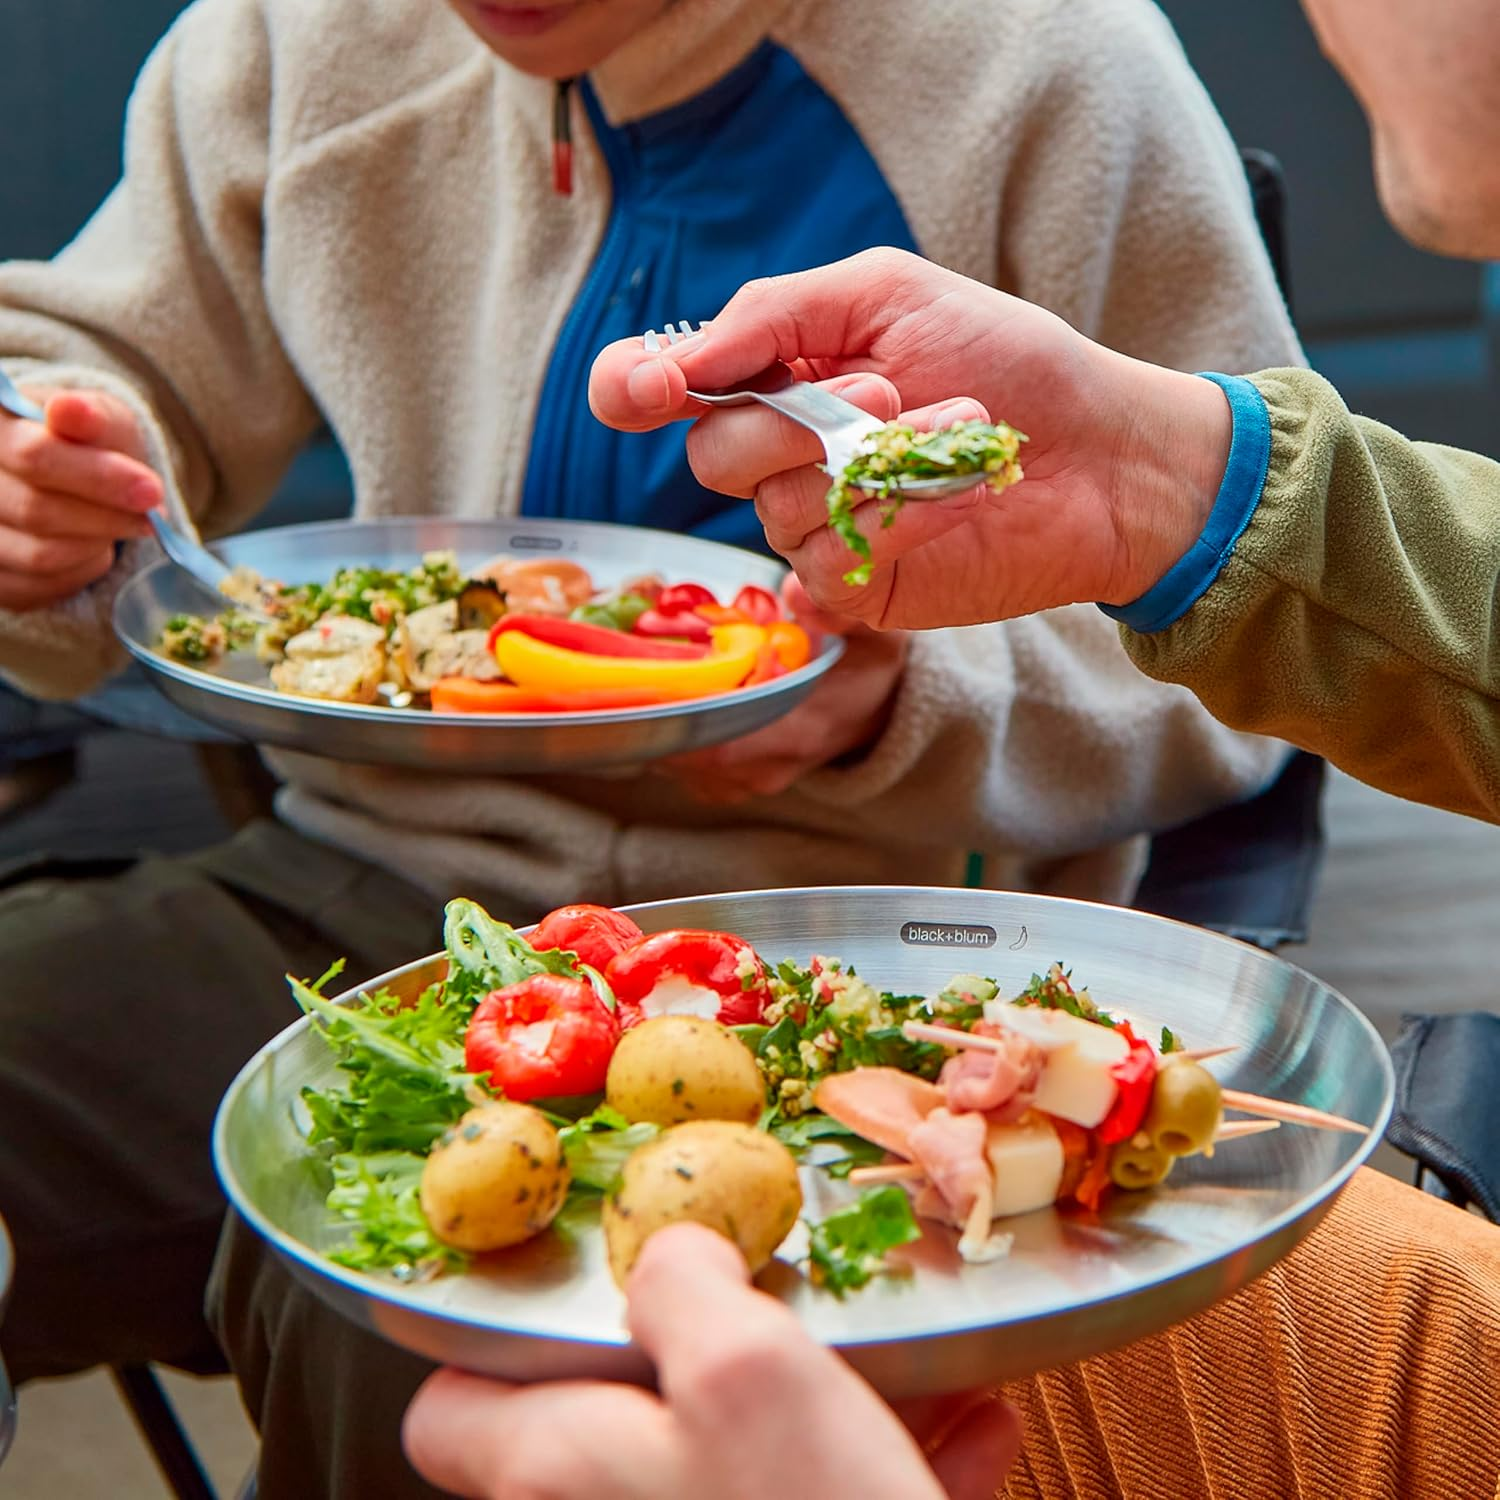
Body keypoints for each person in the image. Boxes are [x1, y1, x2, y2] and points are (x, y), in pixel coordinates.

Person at [0, 0, 1307, 1494]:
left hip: (852, 969)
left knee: (437, 1337)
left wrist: (899, 717)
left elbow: (1236, 660)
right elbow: (84, 363)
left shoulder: (1056, 71)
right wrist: (47, 480)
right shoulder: (290, 41)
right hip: (349, 890)